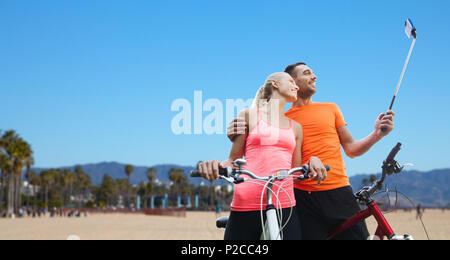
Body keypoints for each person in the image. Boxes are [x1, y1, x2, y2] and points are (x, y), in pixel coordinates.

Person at [227, 62, 395, 240]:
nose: (314, 76)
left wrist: (377, 134)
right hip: (301, 199)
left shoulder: (331, 108)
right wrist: (236, 130)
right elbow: (259, 149)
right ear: (293, 81)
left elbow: (352, 149)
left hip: (338, 192)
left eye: (313, 73)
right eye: (307, 73)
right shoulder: (282, 119)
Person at [197, 72, 327, 240]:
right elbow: (233, 160)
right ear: (275, 84)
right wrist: (215, 166)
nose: (296, 86)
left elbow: (296, 173)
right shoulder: (249, 115)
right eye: (291, 82)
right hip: (247, 201)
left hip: (284, 203)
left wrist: (313, 161)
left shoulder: (296, 127)